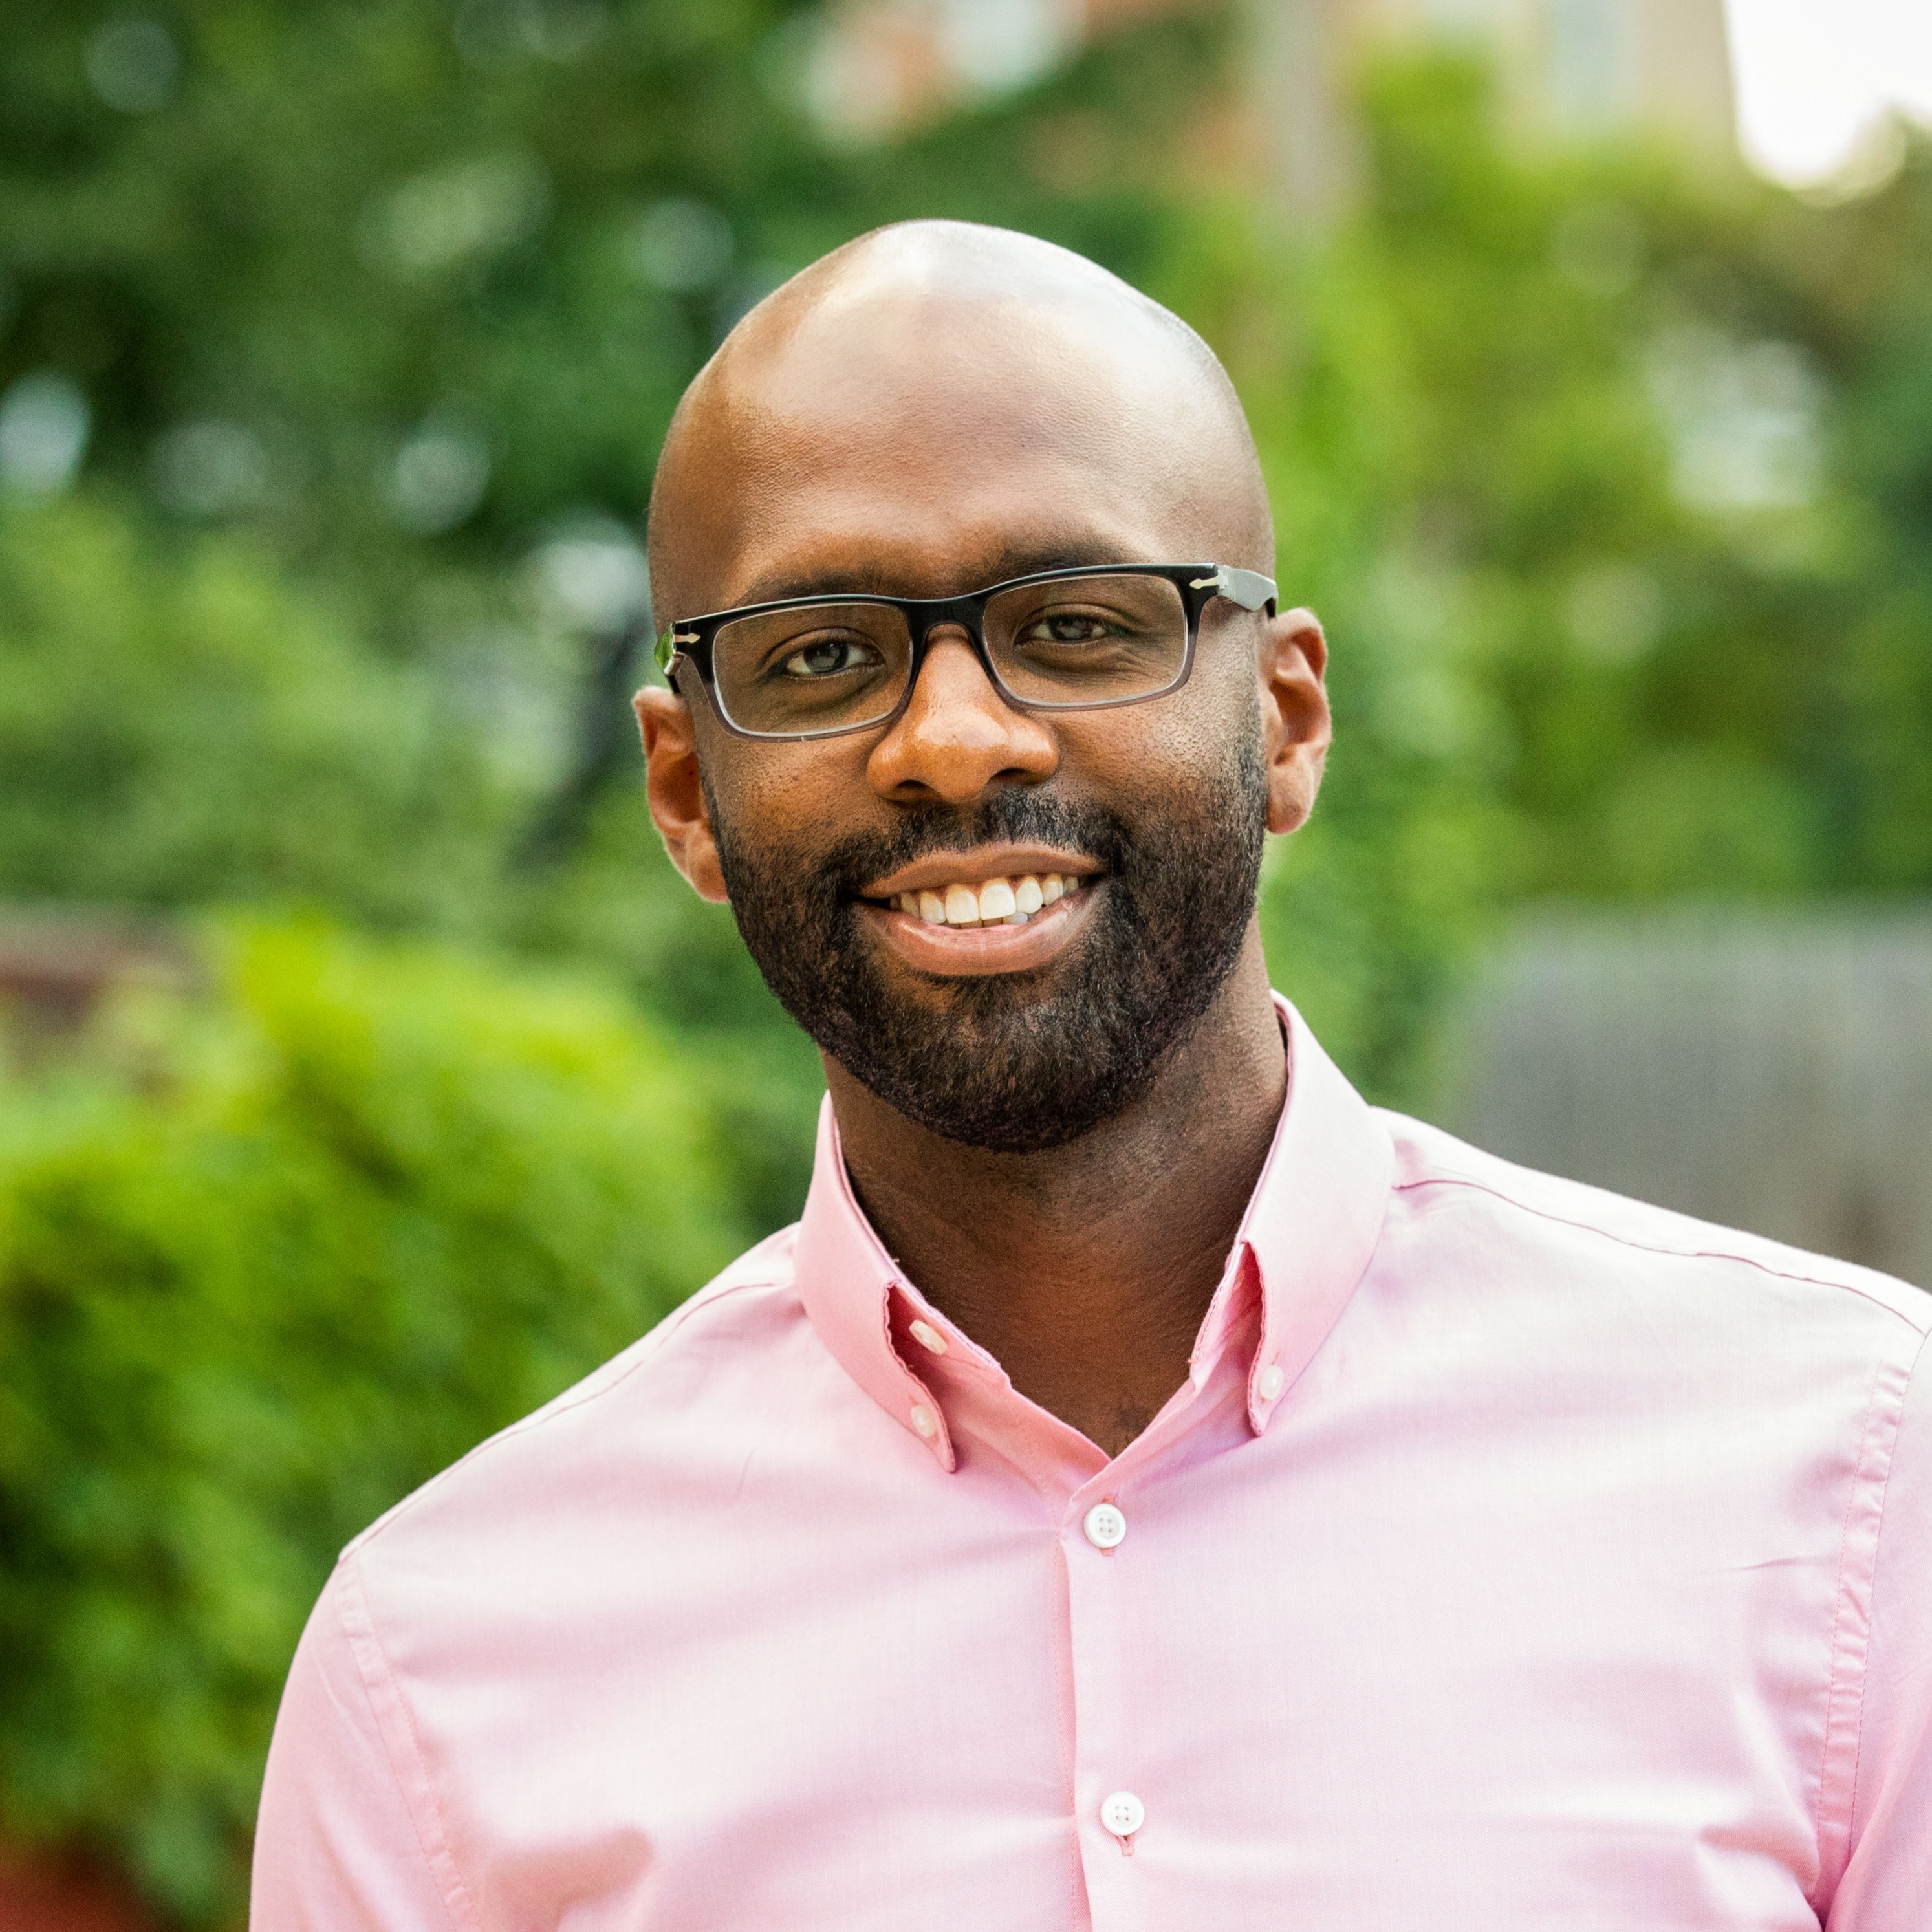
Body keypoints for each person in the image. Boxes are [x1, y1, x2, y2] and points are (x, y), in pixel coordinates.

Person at [250, 221, 1930, 1929]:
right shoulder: (440, 1676)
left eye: (1075, 623)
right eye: (823, 653)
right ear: (686, 790)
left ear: (1282, 720)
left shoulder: (1856, 1480)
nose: (956, 736)